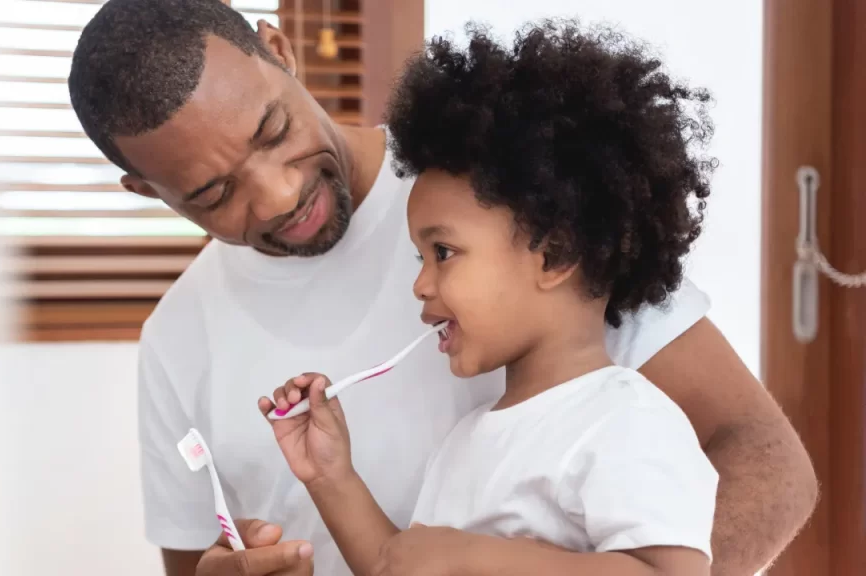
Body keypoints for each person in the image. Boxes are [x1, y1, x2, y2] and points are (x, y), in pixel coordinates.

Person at [66, 1, 817, 575]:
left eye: (271, 132)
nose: (278, 196)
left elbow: (767, 461)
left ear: (281, 49)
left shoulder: (506, 188)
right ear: (144, 189)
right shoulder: (175, 341)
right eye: (212, 191)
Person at [262, 21, 720, 576]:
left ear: (553, 257)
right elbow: (403, 567)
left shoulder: (626, 419)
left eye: (444, 252)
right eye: (419, 258)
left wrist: (473, 559)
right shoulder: (466, 441)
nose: (420, 284)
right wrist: (331, 478)